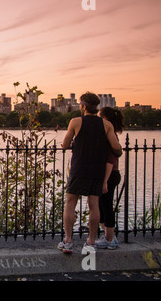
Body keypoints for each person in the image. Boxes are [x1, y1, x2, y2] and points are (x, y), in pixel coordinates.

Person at [58, 92, 122, 254]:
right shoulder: (106, 125)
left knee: (70, 203)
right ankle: (91, 241)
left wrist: (70, 143)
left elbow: (64, 144)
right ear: (96, 107)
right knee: (94, 205)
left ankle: (68, 241)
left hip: (79, 168)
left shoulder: (75, 122)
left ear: (84, 106)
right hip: (97, 170)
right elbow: (116, 148)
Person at [96, 107, 124, 249]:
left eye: (99, 116)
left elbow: (110, 160)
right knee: (101, 206)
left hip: (109, 175)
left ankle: (110, 239)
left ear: (105, 119)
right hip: (109, 175)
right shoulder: (109, 133)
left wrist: (104, 181)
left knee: (106, 207)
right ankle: (108, 236)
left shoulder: (110, 134)